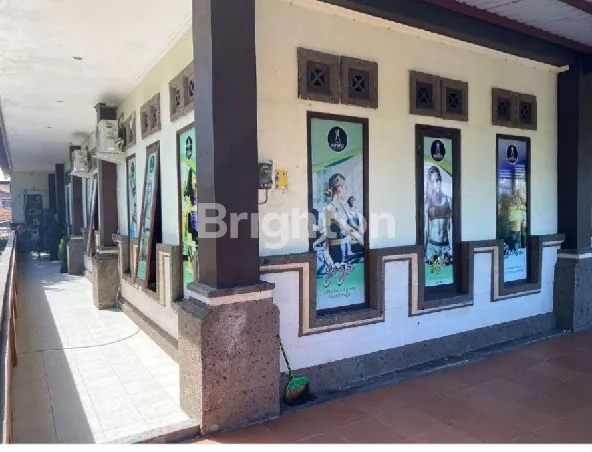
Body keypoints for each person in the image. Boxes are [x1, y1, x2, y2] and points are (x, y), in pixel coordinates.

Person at [322, 174, 364, 267]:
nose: (347, 190)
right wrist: (365, 244)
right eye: (345, 187)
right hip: (338, 253)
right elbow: (347, 229)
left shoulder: (342, 206)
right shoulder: (330, 208)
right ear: (339, 188)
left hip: (347, 249)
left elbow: (352, 226)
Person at [425, 166, 453, 267]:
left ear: (441, 180)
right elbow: (426, 228)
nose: (436, 183)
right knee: (432, 273)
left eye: (438, 180)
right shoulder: (428, 202)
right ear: (430, 184)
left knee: (446, 273)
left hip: (445, 247)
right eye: (433, 182)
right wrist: (424, 250)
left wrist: (452, 248)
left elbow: (452, 227)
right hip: (432, 246)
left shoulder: (449, 200)